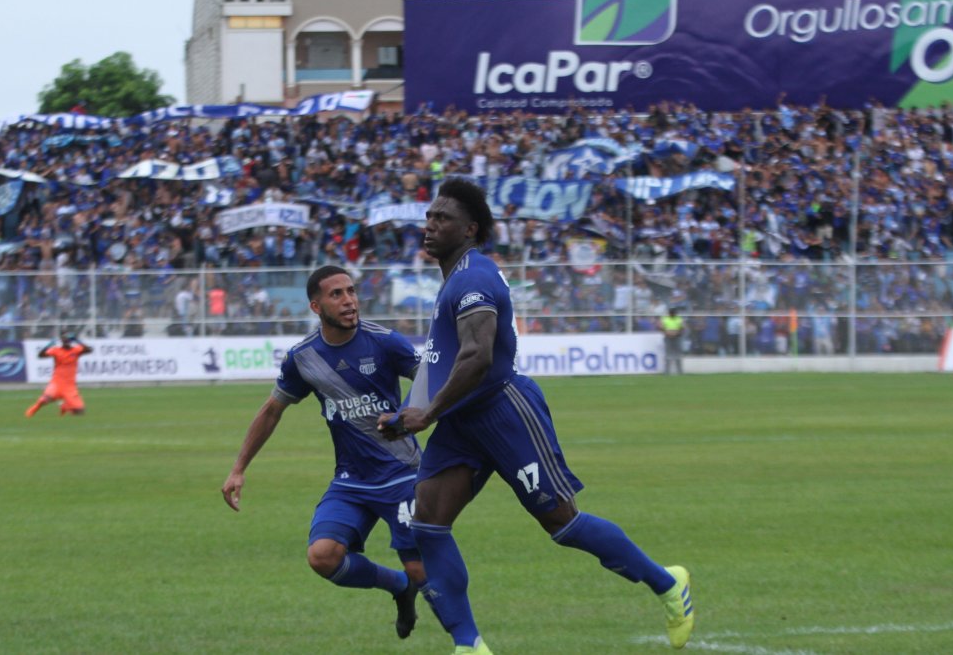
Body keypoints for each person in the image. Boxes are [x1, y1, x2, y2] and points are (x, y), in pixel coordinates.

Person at [377, 179, 694, 654]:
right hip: (462, 422)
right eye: (428, 217)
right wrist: (410, 413)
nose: (430, 225)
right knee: (428, 524)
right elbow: (445, 360)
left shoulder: (473, 278)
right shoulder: (456, 278)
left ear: (469, 229)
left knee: (562, 525)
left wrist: (427, 414)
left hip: (504, 411)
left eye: (441, 218)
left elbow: (476, 357)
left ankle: (668, 584)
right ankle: (469, 645)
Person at [221, 265, 426, 640]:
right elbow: (271, 410)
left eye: (351, 291)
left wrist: (407, 414)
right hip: (351, 480)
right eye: (337, 294)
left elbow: (431, 377)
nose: (349, 300)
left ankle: (466, 639)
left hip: (403, 474)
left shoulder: (385, 342)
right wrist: (238, 468)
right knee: (323, 556)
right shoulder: (304, 358)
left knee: (423, 572)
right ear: (316, 306)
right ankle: (399, 587)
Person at [25, 331, 93, 417]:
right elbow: (40, 355)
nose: (66, 341)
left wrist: (77, 340)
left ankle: (65, 406)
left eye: (68, 339)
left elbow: (89, 350)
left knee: (79, 411)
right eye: (64, 339)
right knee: (45, 399)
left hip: (70, 386)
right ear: (61, 340)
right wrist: (48, 345)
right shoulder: (56, 350)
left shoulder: (76, 350)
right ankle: (34, 408)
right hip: (57, 383)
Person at [660, 307, 685, 374]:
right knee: (668, 354)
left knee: (678, 354)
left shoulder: (679, 319)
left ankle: (680, 371)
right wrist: (667, 333)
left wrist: (676, 333)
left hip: (677, 337)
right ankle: (666, 371)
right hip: (668, 337)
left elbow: (682, 328)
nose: (673, 315)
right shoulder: (665, 319)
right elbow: (661, 327)